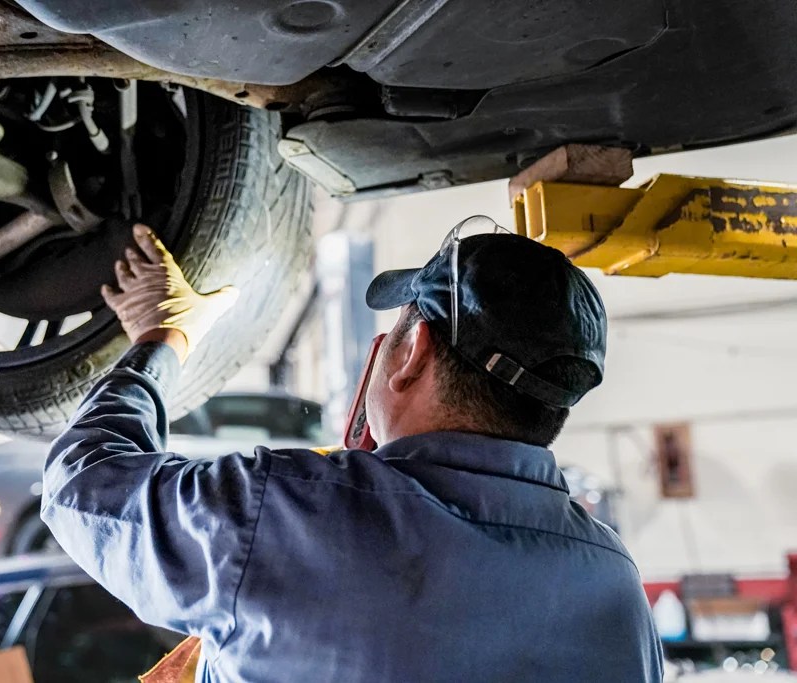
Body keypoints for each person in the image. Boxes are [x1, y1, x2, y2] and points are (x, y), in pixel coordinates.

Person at [42, 218, 664, 682]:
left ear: (413, 349)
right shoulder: (613, 587)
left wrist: (163, 335)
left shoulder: (289, 517)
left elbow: (80, 483)